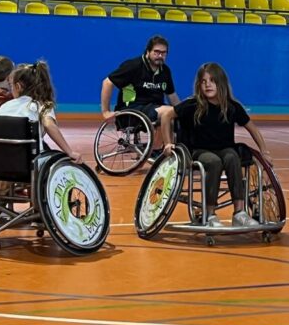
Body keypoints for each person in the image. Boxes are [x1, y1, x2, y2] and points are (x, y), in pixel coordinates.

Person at [162, 62, 272, 228]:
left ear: (221, 83)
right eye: (204, 81)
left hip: (224, 149)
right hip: (198, 151)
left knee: (232, 157)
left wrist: (264, 151)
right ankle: (210, 214)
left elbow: (253, 129)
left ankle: (239, 213)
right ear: (199, 85)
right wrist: (168, 143)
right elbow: (166, 116)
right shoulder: (193, 104)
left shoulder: (232, 107)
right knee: (214, 162)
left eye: (212, 81)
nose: (208, 85)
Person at [100, 35, 180, 148]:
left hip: (155, 108)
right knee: (169, 113)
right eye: (156, 52)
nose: (160, 56)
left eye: (163, 53)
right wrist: (105, 111)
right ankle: (157, 150)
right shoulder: (133, 66)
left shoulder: (165, 71)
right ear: (148, 51)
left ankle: (159, 150)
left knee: (176, 115)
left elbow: (172, 96)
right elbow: (107, 83)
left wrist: (183, 111)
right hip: (132, 110)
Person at [0, 60, 81, 162]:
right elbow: (48, 125)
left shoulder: (6, 106)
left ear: (18, 87)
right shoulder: (43, 105)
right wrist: (70, 152)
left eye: (11, 86)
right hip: (29, 161)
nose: (11, 90)